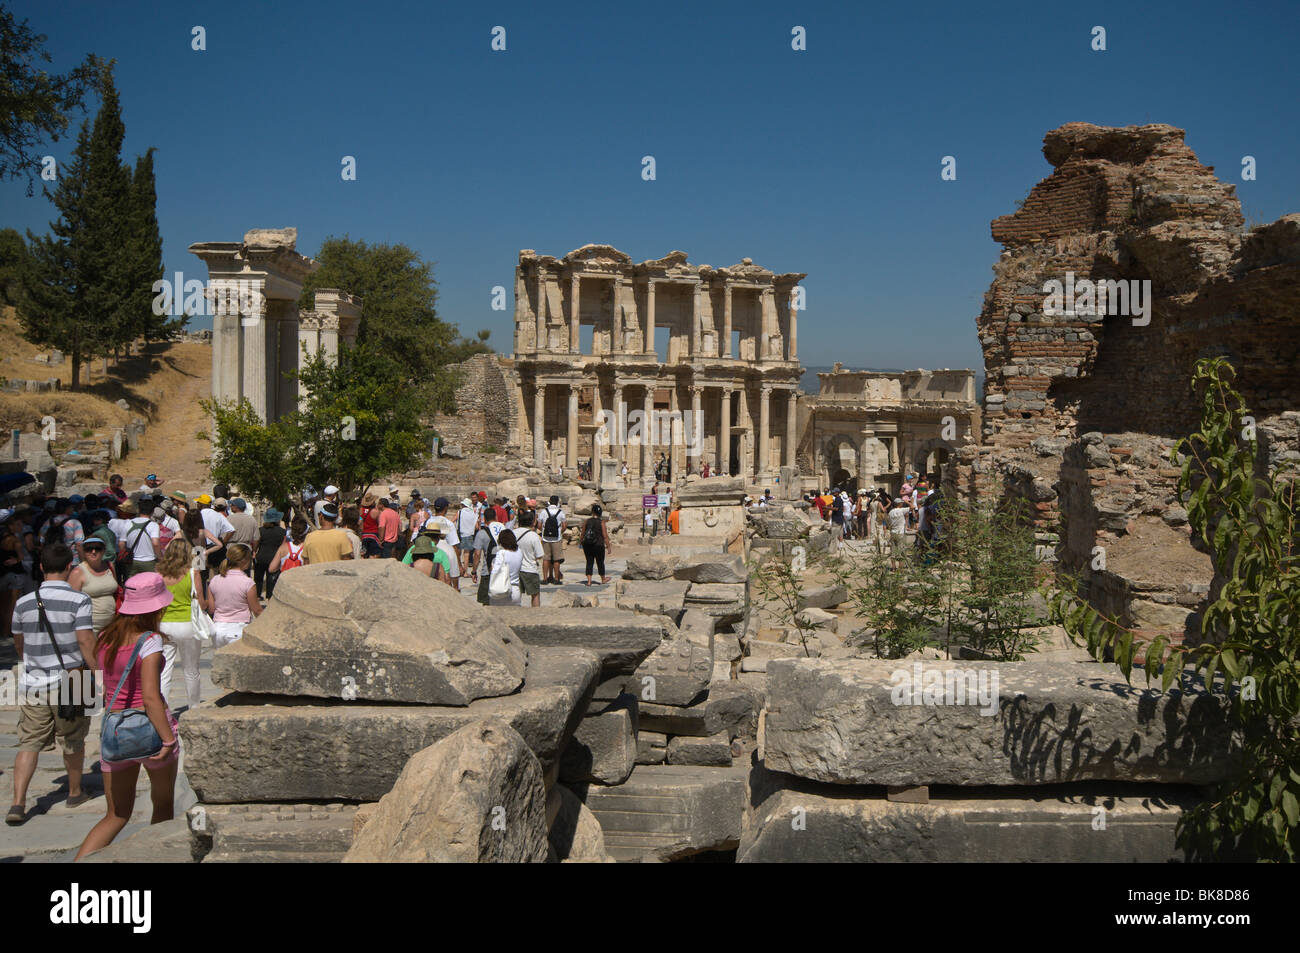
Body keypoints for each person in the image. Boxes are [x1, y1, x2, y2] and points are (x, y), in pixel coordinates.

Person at [73, 572, 179, 859]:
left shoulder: (106, 636)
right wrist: (168, 740)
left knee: (116, 815)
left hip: (115, 730)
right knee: (163, 805)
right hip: (151, 732)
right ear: (156, 607)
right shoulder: (150, 641)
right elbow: (150, 697)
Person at [7, 543, 96, 826]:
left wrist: (30, 661)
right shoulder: (79, 600)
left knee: (29, 742)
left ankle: (18, 802)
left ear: (42, 567)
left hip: (33, 679)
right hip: (74, 677)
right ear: (70, 567)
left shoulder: (22, 602)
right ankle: (74, 791)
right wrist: (98, 672)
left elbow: (18, 642)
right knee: (74, 738)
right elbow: (84, 640)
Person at [157, 537, 212, 710]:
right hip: (187, 624)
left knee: (164, 672)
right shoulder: (192, 572)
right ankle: (194, 707)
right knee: (191, 670)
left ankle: (163, 709)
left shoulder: (158, 574)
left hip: (164, 624)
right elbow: (201, 601)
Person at [208, 543, 261, 648]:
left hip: (218, 628)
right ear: (245, 561)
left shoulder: (215, 580)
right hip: (238, 628)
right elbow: (256, 610)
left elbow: (211, 609)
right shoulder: (248, 582)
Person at [68, 537, 118, 636]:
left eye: (97, 548)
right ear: (83, 552)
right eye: (89, 549)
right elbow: (72, 603)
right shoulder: (78, 572)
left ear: (104, 550)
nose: (93, 552)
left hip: (112, 624)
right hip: (90, 626)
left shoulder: (110, 566)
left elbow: (115, 590)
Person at [109, 499, 159, 578]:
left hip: (132, 561)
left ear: (139, 510)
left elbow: (121, 543)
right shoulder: (153, 525)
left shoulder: (128, 523)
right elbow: (155, 543)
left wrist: (124, 555)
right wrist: (160, 558)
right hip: (149, 561)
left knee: (132, 585)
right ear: (152, 511)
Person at [425, 498, 461, 590]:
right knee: (453, 580)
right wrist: (459, 565)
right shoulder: (448, 523)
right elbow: (454, 545)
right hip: (446, 551)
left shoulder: (428, 521)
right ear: (445, 508)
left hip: (428, 550)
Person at [513, 510, 544, 607]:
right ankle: (536, 616)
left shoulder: (513, 533)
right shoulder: (533, 536)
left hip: (515, 569)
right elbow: (539, 555)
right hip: (530, 569)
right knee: (535, 595)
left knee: (516, 595)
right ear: (532, 522)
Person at [253, 508, 285, 600]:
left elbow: (256, 542)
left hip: (261, 556)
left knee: (258, 578)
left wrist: (254, 551)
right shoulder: (282, 532)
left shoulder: (261, 530)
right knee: (271, 578)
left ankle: (257, 595)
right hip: (274, 557)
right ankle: (270, 595)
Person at [488, 529, 523, 606]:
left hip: (502, 590)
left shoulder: (502, 553)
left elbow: (495, 571)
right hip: (515, 589)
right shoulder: (519, 552)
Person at [472, 516, 502, 605]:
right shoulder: (503, 530)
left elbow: (477, 554)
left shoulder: (482, 533)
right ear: (496, 518)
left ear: (484, 519)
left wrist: (474, 571)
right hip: (502, 570)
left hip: (488, 571)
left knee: (486, 602)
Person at [580, 504, 611, 585]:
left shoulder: (587, 521)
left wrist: (580, 542)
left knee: (589, 562)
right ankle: (603, 579)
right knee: (600, 562)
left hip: (587, 545)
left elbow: (582, 533)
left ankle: (589, 581)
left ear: (592, 512)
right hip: (599, 545)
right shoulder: (602, 522)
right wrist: (608, 546)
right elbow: (605, 536)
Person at [540, 495, 566, 585]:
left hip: (546, 538)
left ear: (549, 501)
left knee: (546, 558)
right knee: (556, 559)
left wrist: (543, 532)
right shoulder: (560, 512)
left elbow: (539, 525)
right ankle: (556, 579)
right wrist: (559, 532)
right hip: (556, 538)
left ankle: (545, 579)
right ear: (557, 502)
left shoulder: (544, 512)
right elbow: (564, 526)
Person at [455, 498, 478, 575]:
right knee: (466, 554)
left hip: (459, 534)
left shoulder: (460, 512)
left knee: (458, 553)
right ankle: (465, 572)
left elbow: (452, 521)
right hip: (469, 534)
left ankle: (459, 569)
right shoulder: (474, 513)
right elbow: (477, 527)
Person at [887, 497, 910, 569]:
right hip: (900, 532)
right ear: (899, 504)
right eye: (902, 503)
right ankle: (900, 567)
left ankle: (893, 567)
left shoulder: (890, 512)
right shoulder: (901, 510)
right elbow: (913, 507)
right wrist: (907, 502)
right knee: (901, 550)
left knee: (893, 550)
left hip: (893, 532)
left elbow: (889, 523)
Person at [359, 494, 382, 558]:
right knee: (373, 555)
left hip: (364, 535)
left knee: (364, 554)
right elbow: (380, 524)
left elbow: (360, 521)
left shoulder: (361, 510)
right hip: (373, 534)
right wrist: (380, 538)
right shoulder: (376, 512)